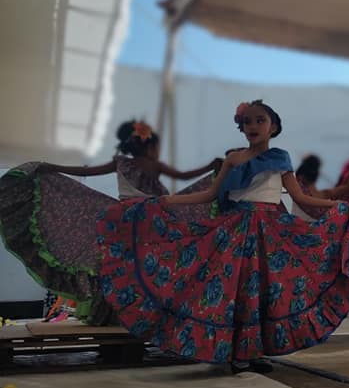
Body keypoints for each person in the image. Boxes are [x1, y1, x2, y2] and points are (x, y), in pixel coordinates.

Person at [95, 100, 349, 372]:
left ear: (274, 127)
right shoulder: (233, 158)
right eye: (246, 121)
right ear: (240, 127)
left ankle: (252, 350)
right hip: (236, 231)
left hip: (270, 232)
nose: (252, 125)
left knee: (265, 291)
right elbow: (210, 195)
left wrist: (338, 207)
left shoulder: (280, 158)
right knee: (237, 292)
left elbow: (300, 198)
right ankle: (237, 352)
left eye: (259, 120)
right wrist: (165, 202)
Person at [0, 120, 218, 325]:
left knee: (122, 268)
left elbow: (86, 171)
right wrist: (211, 167)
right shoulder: (144, 164)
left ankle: (125, 314)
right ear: (147, 145)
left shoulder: (126, 163)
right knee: (142, 268)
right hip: (149, 222)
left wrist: (50, 166)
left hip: (134, 221)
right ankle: (137, 314)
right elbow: (187, 174)